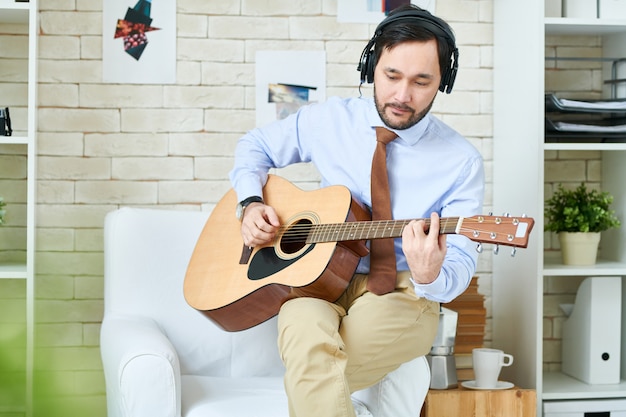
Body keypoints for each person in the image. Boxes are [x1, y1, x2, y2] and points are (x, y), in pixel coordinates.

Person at [229, 4, 484, 417]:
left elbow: (459, 265)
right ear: (371, 66)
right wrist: (251, 202)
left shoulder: (461, 161)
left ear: (443, 82)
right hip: (316, 281)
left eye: (422, 81)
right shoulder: (328, 120)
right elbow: (253, 146)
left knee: (314, 370)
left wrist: (430, 273)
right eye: (392, 76)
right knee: (302, 324)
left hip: (403, 291)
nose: (403, 96)